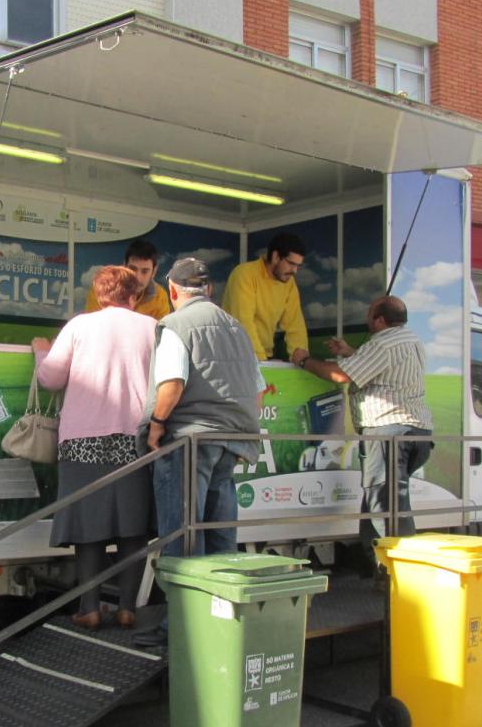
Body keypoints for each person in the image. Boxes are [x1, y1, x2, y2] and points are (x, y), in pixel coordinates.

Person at [133, 258, 264, 648]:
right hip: (234, 440)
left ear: (173, 291)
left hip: (190, 440)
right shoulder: (236, 327)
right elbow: (257, 390)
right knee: (221, 533)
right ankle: (220, 622)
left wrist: (156, 425)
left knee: (182, 534)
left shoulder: (176, 325)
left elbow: (172, 384)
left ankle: (181, 629)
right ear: (208, 290)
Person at [32, 266, 156, 630]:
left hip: (82, 440)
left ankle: (89, 607)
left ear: (100, 294)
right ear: (134, 295)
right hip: (134, 439)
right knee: (134, 526)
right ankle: (127, 608)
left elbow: (51, 378)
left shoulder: (79, 326)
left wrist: (42, 352)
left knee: (89, 526)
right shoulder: (153, 329)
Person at [298, 295, 433, 565]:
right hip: (418, 433)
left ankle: (403, 575)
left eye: (369, 315)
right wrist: (351, 353)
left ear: (380, 320)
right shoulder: (411, 340)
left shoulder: (381, 343)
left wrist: (304, 361)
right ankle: (376, 566)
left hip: (388, 432)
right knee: (379, 499)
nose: (366, 319)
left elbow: (340, 376)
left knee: (386, 507)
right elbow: (383, 370)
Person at [221, 232, 311, 365]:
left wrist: (301, 359)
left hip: (263, 358)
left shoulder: (289, 283)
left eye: (298, 265)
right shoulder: (245, 274)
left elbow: (295, 324)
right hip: (232, 358)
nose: (295, 271)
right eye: (291, 263)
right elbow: (244, 321)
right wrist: (261, 362)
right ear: (275, 256)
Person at [85, 238, 171, 320]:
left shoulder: (160, 297)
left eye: (145, 271)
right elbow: (92, 327)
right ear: (124, 266)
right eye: (133, 269)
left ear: (154, 271)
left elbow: (160, 333)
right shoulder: (101, 291)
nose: (137, 277)